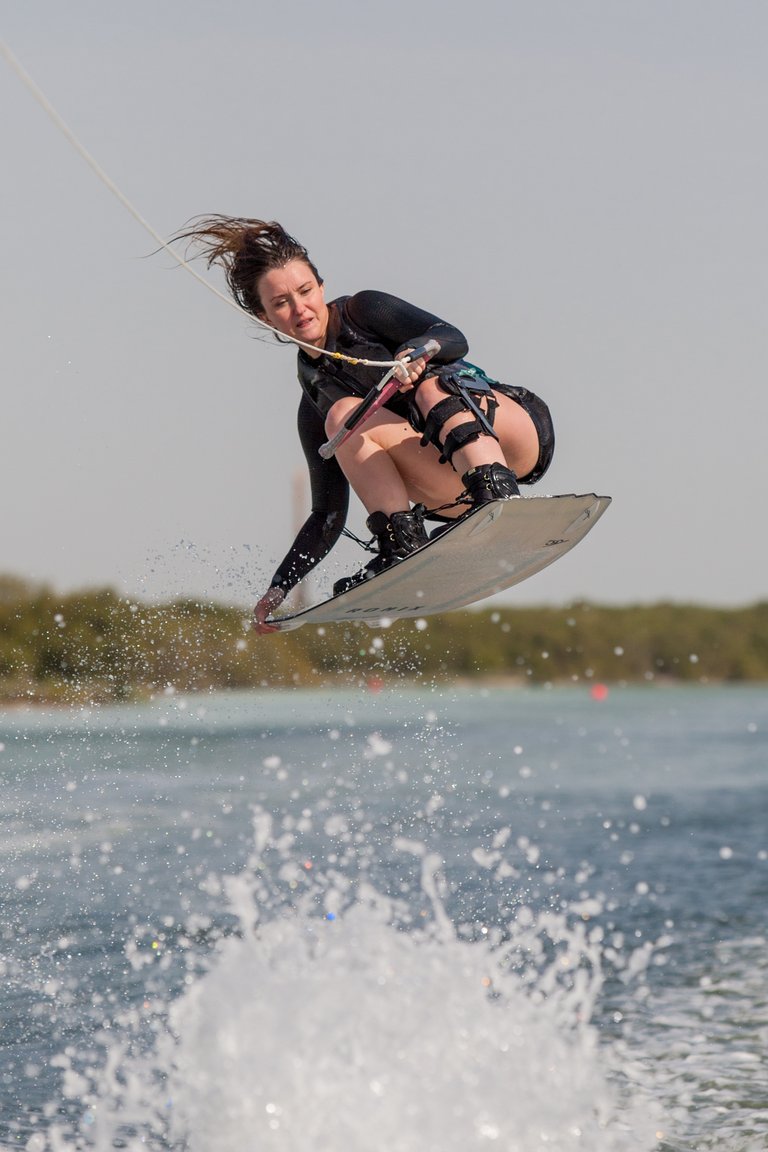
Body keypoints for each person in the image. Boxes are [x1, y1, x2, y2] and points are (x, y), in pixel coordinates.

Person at [176, 217, 555, 633]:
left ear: (321, 287)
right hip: (452, 490)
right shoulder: (315, 403)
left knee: (430, 387)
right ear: (265, 317)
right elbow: (327, 514)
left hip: (511, 434)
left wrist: (418, 353)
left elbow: (452, 336)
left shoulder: (365, 311)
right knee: (341, 419)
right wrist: (280, 587)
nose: (300, 308)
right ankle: (403, 546)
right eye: (281, 303)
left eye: (305, 291)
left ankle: (498, 495)